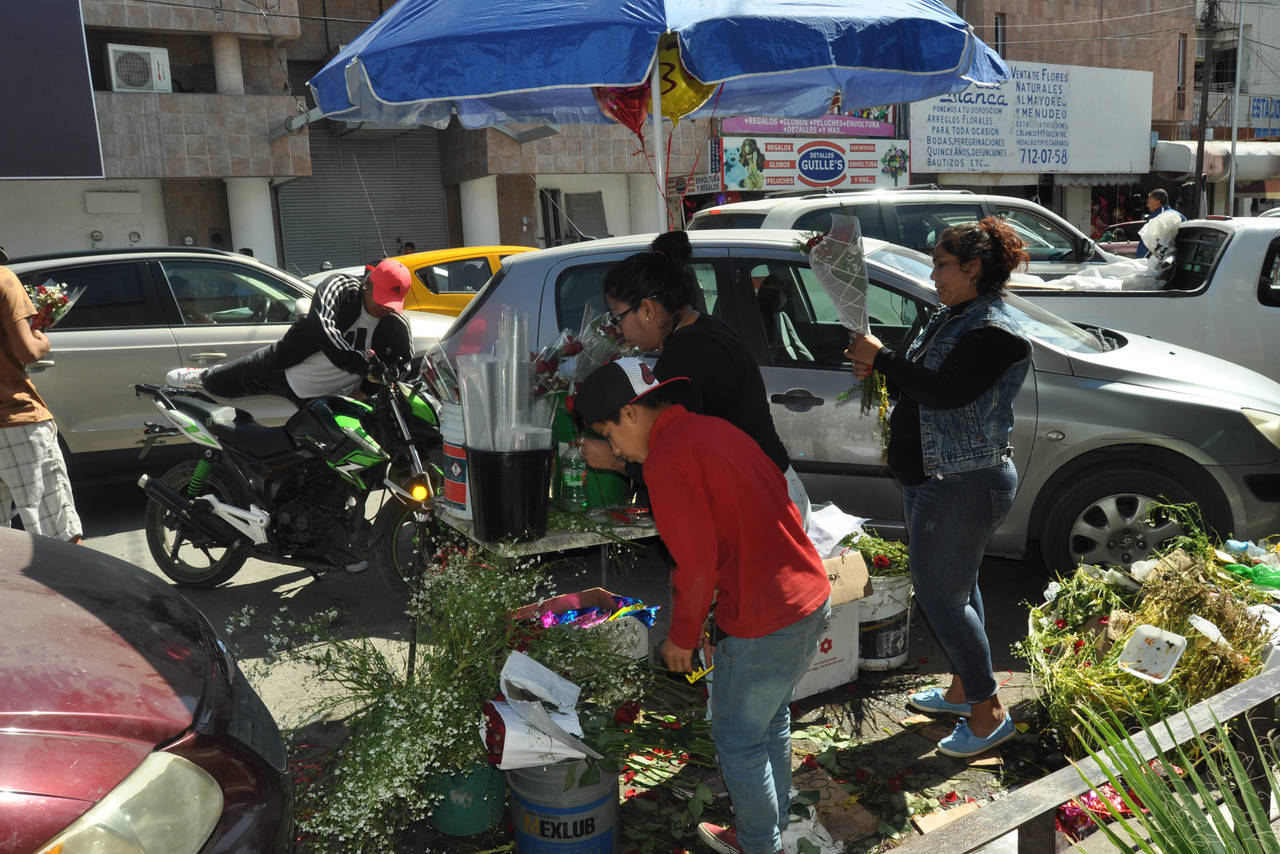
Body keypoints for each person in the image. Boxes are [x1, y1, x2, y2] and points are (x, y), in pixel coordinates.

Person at [575, 357, 830, 854]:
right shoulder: (715, 429)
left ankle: (759, 844)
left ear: (631, 413)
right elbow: (771, 504)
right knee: (770, 720)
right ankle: (772, 827)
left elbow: (694, 567)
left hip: (764, 619)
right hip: (808, 598)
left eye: (609, 434)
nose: (615, 449)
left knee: (738, 742)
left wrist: (682, 639)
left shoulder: (667, 460)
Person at [845, 217, 1031, 759]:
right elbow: (923, 382)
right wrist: (882, 369)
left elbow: (948, 391)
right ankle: (961, 691)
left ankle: (988, 713)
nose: (933, 276)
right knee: (959, 591)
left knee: (942, 599)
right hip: (936, 479)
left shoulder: (993, 330)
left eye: (941, 265)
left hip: (962, 484)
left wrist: (882, 359)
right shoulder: (954, 316)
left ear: (972, 268)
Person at [578, 230, 811, 527]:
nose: (618, 329)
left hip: (763, 502)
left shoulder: (688, 355)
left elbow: (673, 460)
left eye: (618, 316)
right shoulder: (703, 330)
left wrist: (613, 460)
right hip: (768, 488)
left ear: (647, 309)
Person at [166, 259, 414, 405]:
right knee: (228, 380)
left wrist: (368, 390)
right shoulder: (340, 287)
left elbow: (402, 366)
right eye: (380, 298)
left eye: (391, 303)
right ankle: (202, 378)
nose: (384, 307)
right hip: (284, 368)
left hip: (330, 399)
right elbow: (321, 328)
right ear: (367, 283)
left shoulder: (396, 323)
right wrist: (364, 367)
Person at [0, 256, 83, 544]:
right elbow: (27, 351)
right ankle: (71, 577)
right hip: (16, 418)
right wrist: (42, 340)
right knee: (58, 531)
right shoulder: (3, 279)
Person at [1135, 188, 1186, 259]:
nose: (1147, 205)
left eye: (1149, 202)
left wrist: (1139, 260)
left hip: (1160, 262)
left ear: (1157, 202)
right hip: (1180, 259)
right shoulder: (1180, 216)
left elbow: (1145, 244)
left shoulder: (1157, 217)